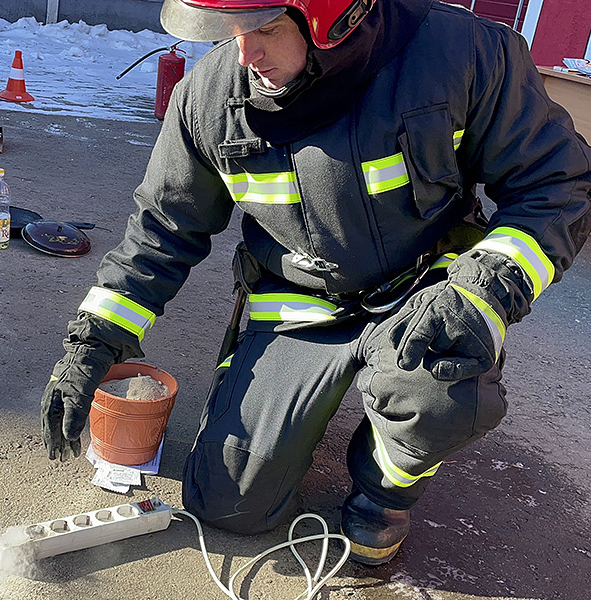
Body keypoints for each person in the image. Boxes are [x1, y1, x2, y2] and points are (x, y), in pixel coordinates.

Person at [41, 0, 591, 565]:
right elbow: (162, 231)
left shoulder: (461, 54)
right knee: (231, 505)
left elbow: (555, 183)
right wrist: (94, 341)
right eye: (230, 32)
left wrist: (482, 294)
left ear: (334, 16)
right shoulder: (210, 99)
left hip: (426, 298)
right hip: (298, 308)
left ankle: (384, 489)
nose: (245, 54)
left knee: (444, 396)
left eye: (267, 30)